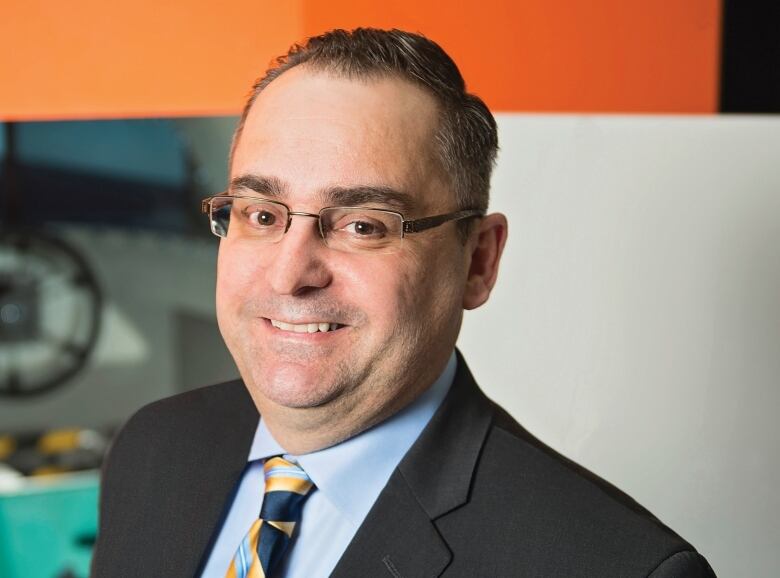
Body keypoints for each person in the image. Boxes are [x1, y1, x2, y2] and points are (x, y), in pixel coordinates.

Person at [92, 28, 715, 577]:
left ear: (478, 262)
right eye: (261, 214)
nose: (290, 274)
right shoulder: (154, 448)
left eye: (364, 225)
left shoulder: (613, 567)